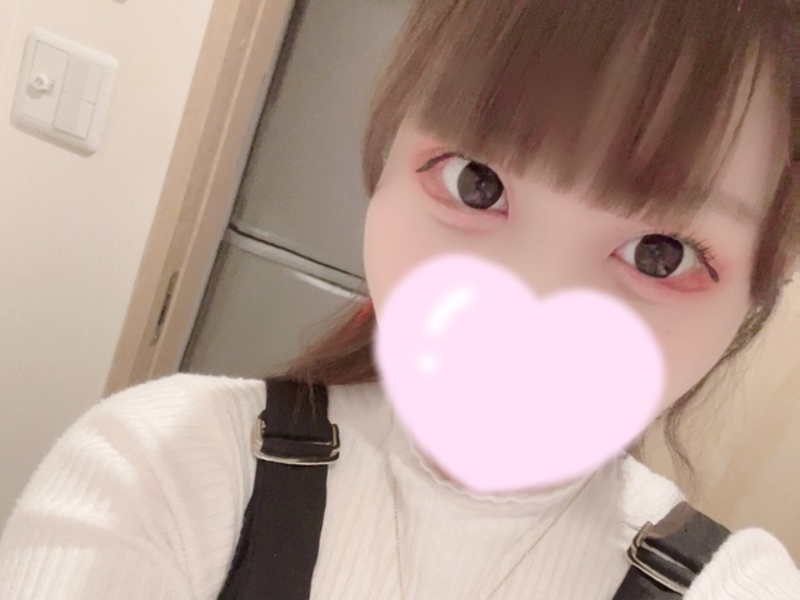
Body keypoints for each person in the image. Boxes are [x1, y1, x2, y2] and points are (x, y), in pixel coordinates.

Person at [1, 0, 799, 598]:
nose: (526, 309)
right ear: (382, 162)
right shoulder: (161, 470)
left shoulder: (735, 586)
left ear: (755, 300)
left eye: (660, 255)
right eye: (476, 183)